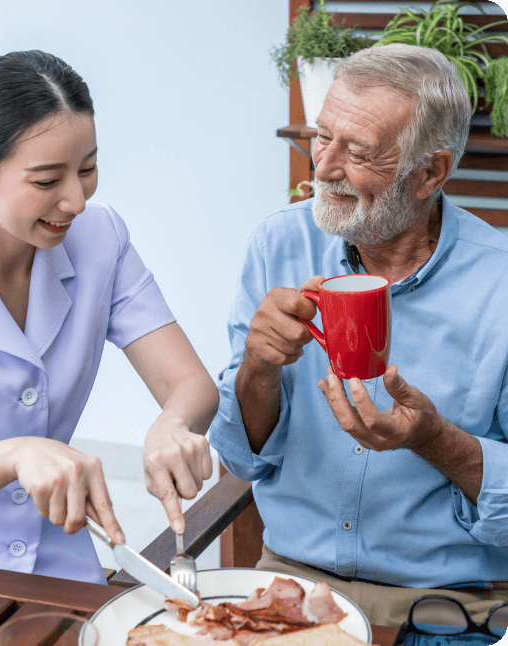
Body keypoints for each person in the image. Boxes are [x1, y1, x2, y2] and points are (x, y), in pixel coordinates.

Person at [208, 43, 508, 627]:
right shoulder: (278, 245)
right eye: (323, 137)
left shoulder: (501, 283)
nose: (322, 167)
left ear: (431, 173)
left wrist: (434, 439)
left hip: (447, 607)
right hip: (290, 584)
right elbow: (242, 459)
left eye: (359, 152)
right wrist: (257, 368)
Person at [0, 50, 218, 585]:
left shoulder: (102, 240)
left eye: (88, 168)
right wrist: (16, 455)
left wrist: (172, 424)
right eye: (48, 181)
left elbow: (190, 383)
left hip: (57, 566)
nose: (75, 200)